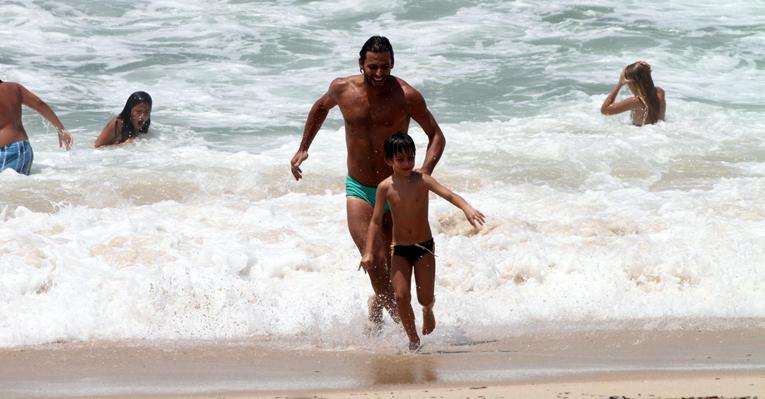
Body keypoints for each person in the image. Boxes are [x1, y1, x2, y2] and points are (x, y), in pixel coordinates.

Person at [290, 36, 446, 331]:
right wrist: (303, 147)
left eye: (385, 66)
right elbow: (320, 108)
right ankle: (403, 326)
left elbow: (436, 136)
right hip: (359, 188)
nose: (379, 73)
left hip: (396, 190)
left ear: (393, 64)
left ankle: (380, 304)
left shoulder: (407, 96)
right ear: (360, 64)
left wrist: (423, 173)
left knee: (394, 261)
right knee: (374, 260)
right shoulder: (342, 89)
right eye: (372, 66)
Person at [360, 132, 485, 351]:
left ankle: (428, 310)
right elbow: (375, 222)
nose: (407, 163)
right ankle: (413, 339)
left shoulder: (422, 180)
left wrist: (467, 208)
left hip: (423, 247)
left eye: (410, 157)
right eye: (400, 159)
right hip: (399, 249)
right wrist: (368, 252)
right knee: (400, 295)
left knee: (424, 297)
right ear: (389, 161)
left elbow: (449, 195)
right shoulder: (385, 187)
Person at [0, 80, 73, 175]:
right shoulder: (14, 88)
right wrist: (61, 129)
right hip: (18, 148)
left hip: (10, 151)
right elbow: (40, 104)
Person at [601, 61, 665, 126]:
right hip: (657, 133)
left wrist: (620, 83)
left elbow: (605, 110)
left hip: (640, 134)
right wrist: (642, 69)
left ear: (632, 83)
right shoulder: (660, 92)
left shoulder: (636, 102)